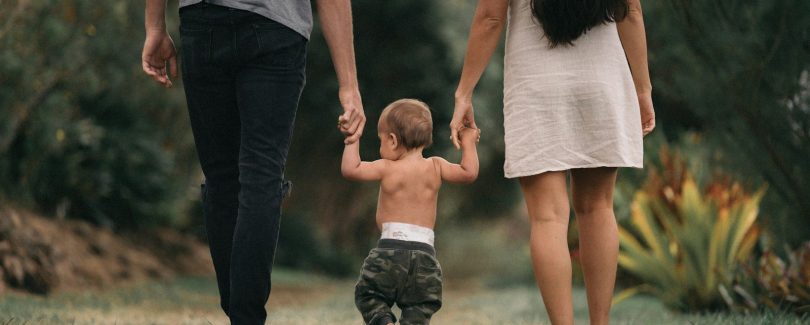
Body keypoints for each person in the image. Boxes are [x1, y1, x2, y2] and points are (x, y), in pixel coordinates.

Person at [141, 0, 366, 324]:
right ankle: (245, 317)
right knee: (260, 175)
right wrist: (349, 85)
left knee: (222, 179)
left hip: (204, 21)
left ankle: (239, 315)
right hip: (276, 28)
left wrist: (155, 26)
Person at [451, 0, 655, 324]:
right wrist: (643, 89)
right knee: (598, 208)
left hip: (536, 86)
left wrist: (464, 94)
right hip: (601, 82)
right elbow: (630, 11)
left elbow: (489, 17)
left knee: (547, 219)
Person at [341, 99, 480, 325]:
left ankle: (383, 321)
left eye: (381, 140)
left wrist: (352, 138)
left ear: (393, 140)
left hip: (390, 251)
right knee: (420, 307)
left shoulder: (387, 167)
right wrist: (469, 142)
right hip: (425, 256)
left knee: (370, 295)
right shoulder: (436, 166)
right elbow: (468, 173)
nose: (380, 146)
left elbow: (351, 169)